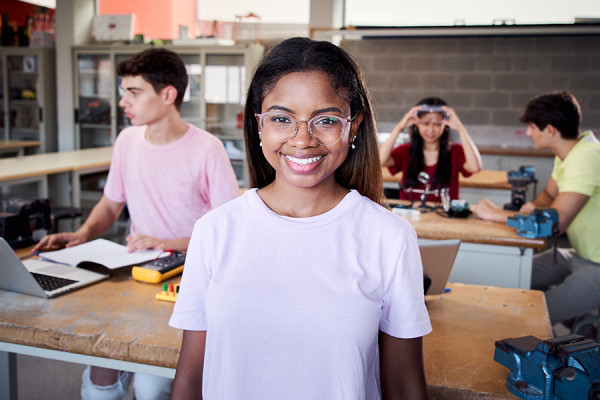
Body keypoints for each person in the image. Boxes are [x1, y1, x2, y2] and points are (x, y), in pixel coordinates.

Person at [169, 37, 432, 399]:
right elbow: (190, 378)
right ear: (258, 125)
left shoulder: (389, 237)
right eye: (281, 118)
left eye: (325, 120)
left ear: (353, 127)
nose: (302, 139)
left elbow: (403, 386)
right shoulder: (215, 231)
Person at [32, 48, 240, 400]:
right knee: (99, 383)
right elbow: (111, 205)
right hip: (132, 273)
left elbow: (230, 234)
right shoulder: (127, 140)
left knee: (149, 385)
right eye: (122, 91)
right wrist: (82, 234)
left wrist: (165, 242)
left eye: (134, 92)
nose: (123, 101)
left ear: (168, 94)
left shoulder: (207, 149)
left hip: (184, 278)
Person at [475, 91, 600, 328]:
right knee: (512, 275)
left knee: (529, 318)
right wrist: (532, 207)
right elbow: (549, 195)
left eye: (532, 127)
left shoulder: (586, 157)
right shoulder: (569, 153)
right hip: (578, 254)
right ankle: (577, 319)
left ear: (550, 130)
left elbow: (554, 224)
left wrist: (494, 214)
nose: (528, 132)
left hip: (597, 266)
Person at [379, 97, 482, 202]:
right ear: (416, 123)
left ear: (445, 125)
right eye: (425, 123)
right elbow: (379, 161)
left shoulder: (455, 151)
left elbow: (475, 167)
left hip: (445, 216)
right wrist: (399, 127)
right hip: (410, 215)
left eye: (437, 124)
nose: (431, 130)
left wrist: (461, 128)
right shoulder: (406, 150)